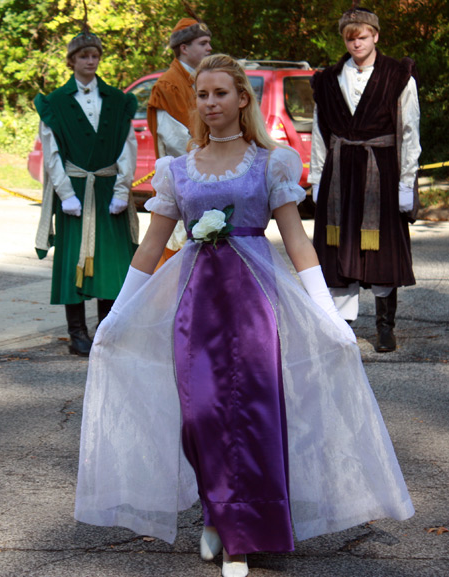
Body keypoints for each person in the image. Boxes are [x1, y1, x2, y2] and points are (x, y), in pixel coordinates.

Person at [75, 55, 414, 577]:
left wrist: (329, 316)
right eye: (202, 95)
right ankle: (217, 519)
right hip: (195, 312)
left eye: (219, 94)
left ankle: (240, 536)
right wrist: (117, 316)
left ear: (242, 100)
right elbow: (150, 249)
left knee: (252, 417)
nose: (209, 103)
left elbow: (298, 242)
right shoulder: (177, 170)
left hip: (255, 309)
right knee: (202, 417)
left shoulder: (270, 163)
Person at [309, 5, 421, 353]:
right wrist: (317, 178)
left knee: (381, 251)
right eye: (350, 38)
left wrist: (407, 182)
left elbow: (409, 129)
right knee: (338, 248)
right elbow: (319, 132)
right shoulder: (327, 79)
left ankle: (385, 327)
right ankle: (343, 326)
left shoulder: (398, 75)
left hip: (382, 173)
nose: (356, 43)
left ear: (375, 36)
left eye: (362, 36)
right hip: (339, 174)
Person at [34, 26, 139, 356]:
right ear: (71, 61)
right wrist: (65, 194)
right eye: (84, 56)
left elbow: (127, 146)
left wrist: (123, 189)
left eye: (95, 56)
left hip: (109, 188)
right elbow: (51, 154)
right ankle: (77, 334)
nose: (90, 61)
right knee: (72, 262)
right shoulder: (54, 103)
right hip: (76, 190)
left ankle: (106, 330)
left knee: (111, 260)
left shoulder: (119, 101)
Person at [147, 14, 212, 267]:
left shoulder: (201, 80)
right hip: (181, 183)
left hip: (204, 179)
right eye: (203, 43)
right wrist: (214, 160)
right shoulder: (168, 85)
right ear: (184, 48)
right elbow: (175, 142)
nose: (209, 48)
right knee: (177, 264)